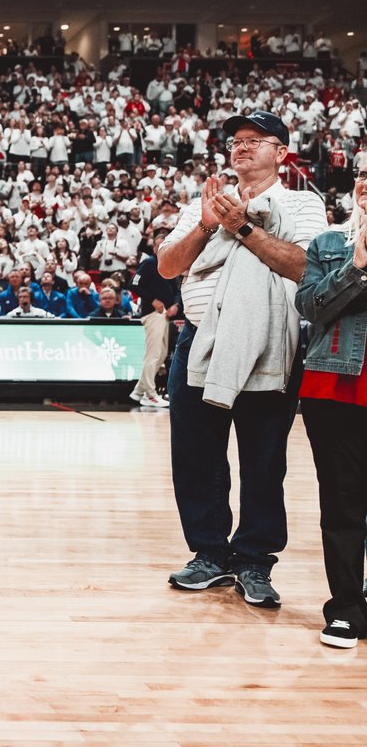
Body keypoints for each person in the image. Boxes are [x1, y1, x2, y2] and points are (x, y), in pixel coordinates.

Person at [158, 110, 325, 607]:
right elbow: (169, 265)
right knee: (196, 457)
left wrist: (244, 230)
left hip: (269, 342)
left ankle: (255, 560)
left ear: (283, 153)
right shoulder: (204, 203)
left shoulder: (302, 204)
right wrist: (209, 227)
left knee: (263, 459)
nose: (243, 146)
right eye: (237, 140)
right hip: (198, 340)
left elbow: (305, 267)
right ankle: (208, 554)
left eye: (257, 139)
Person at [296, 150, 367, 647]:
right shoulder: (328, 243)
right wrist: (358, 266)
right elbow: (311, 307)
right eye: (364, 174)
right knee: (342, 501)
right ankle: (345, 607)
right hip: (334, 386)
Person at [129, 231, 178, 408]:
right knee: (154, 354)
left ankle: (138, 391)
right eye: (159, 244)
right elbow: (133, 284)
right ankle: (150, 393)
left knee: (162, 354)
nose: (162, 246)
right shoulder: (149, 263)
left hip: (166, 315)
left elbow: (176, 289)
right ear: (155, 247)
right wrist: (152, 300)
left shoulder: (170, 263)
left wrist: (176, 305)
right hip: (153, 314)